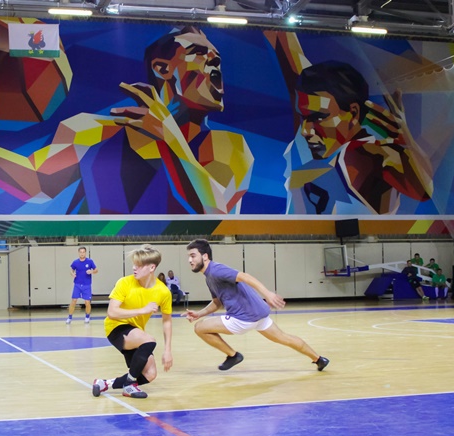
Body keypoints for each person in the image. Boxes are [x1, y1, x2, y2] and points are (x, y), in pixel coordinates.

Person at [0, 25, 252, 215]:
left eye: (216, 57)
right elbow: (35, 184)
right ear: (163, 69)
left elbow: (216, 209)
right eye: (200, 54)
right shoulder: (96, 130)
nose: (214, 60)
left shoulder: (230, 148)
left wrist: (170, 138)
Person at [265, 31, 433, 215]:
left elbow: (424, 191)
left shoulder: (367, 154)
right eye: (303, 117)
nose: (305, 130)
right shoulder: (310, 143)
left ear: (353, 113)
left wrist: (405, 139)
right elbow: (292, 66)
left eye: (319, 117)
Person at [183, 239, 329, 372]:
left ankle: (233, 355)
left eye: (193, 256)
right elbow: (217, 302)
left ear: (205, 256)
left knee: (199, 328)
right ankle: (319, 359)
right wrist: (199, 314)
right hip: (258, 315)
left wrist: (268, 294)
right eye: (189, 256)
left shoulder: (216, 270)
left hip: (243, 318)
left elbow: (245, 277)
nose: (190, 260)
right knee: (285, 338)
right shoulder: (209, 277)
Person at [92, 244, 173, 399]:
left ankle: (104, 384)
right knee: (149, 341)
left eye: (139, 265)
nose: (134, 268)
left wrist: (168, 350)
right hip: (116, 327)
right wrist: (142, 310)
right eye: (134, 264)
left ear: (151, 267)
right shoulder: (124, 282)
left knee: (150, 374)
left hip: (136, 333)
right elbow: (112, 312)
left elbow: (167, 321)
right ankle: (129, 385)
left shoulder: (163, 291)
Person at [66, 246, 98, 324]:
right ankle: (69, 317)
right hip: (77, 284)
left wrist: (92, 272)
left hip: (87, 285)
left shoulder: (90, 261)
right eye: (81, 252)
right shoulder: (75, 262)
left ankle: (87, 316)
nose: (82, 254)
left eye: (83, 252)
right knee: (74, 300)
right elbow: (71, 269)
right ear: (78, 253)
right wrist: (72, 273)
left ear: (85, 253)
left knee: (87, 302)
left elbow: (96, 270)